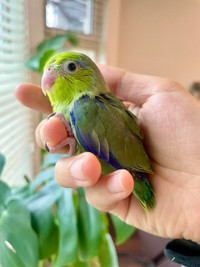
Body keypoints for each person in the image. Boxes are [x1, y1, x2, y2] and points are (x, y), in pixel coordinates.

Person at [15, 65, 200, 266]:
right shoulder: (77, 110)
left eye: (70, 67)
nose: (51, 74)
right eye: (49, 70)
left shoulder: (86, 107)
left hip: (135, 172)